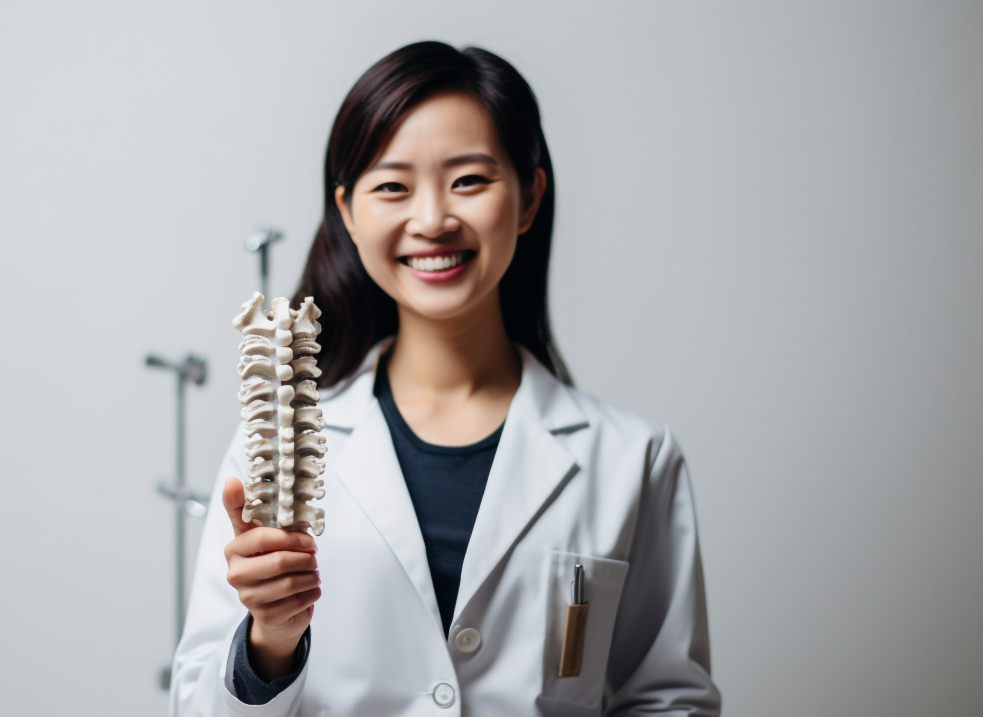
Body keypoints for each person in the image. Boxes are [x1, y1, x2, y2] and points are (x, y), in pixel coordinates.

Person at [170, 41, 720, 716]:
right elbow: (197, 705)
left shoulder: (635, 458)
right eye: (393, 186)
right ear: (347, 212)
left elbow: (669, 699)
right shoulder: (273, 453)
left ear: (528, 197)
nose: (432, 219)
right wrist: (270, 642)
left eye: (468, 180)